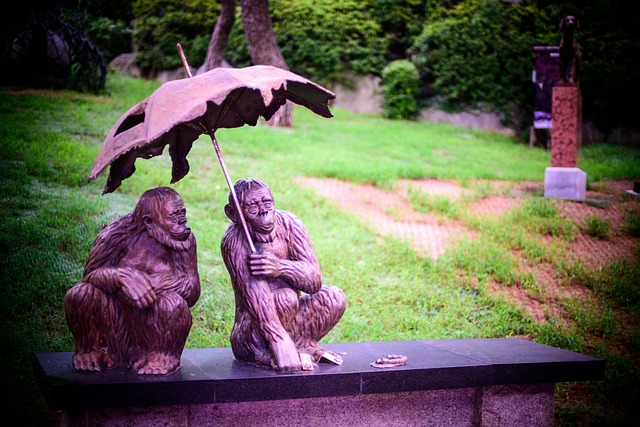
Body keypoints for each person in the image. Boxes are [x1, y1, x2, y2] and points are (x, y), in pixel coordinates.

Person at [64, 187, 200, 375]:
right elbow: (90, 276)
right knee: (80, 294)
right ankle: (91, 350)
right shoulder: (115, 234)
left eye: (182, 214)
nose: (182, 223)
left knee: (173, 304)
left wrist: (152, 284)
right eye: (174, 216)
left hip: (152, 330)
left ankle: (162, 356)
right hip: (113, 325)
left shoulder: (185, 240)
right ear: (149, 221)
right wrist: (122, 277)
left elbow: (192, 289)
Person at [221, 178, 346, 372]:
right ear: (233, 213)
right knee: (286, 298)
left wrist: (281, 267)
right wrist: (278, 341)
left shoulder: (290, 224)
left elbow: (314, 281)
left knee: (333, 297)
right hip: (254, 331)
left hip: (291, 316)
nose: (264, 212)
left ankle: (301, 344)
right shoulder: (234, 240)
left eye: (267, 203)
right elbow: (257, 299)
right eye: (252, 207)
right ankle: (270, 351)